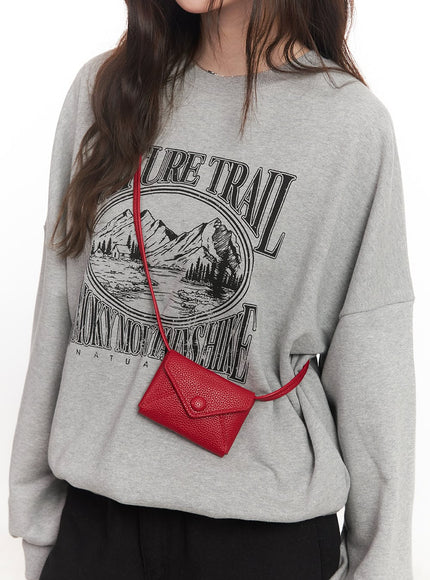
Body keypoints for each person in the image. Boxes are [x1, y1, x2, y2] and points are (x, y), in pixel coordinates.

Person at [8, 0, 416, 579]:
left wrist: (382, 567)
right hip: (97, 533)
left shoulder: (350, 125)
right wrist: (38, 524)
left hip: (260, 541)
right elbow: (59, 310)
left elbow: (374, 361)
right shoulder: (108, 89)